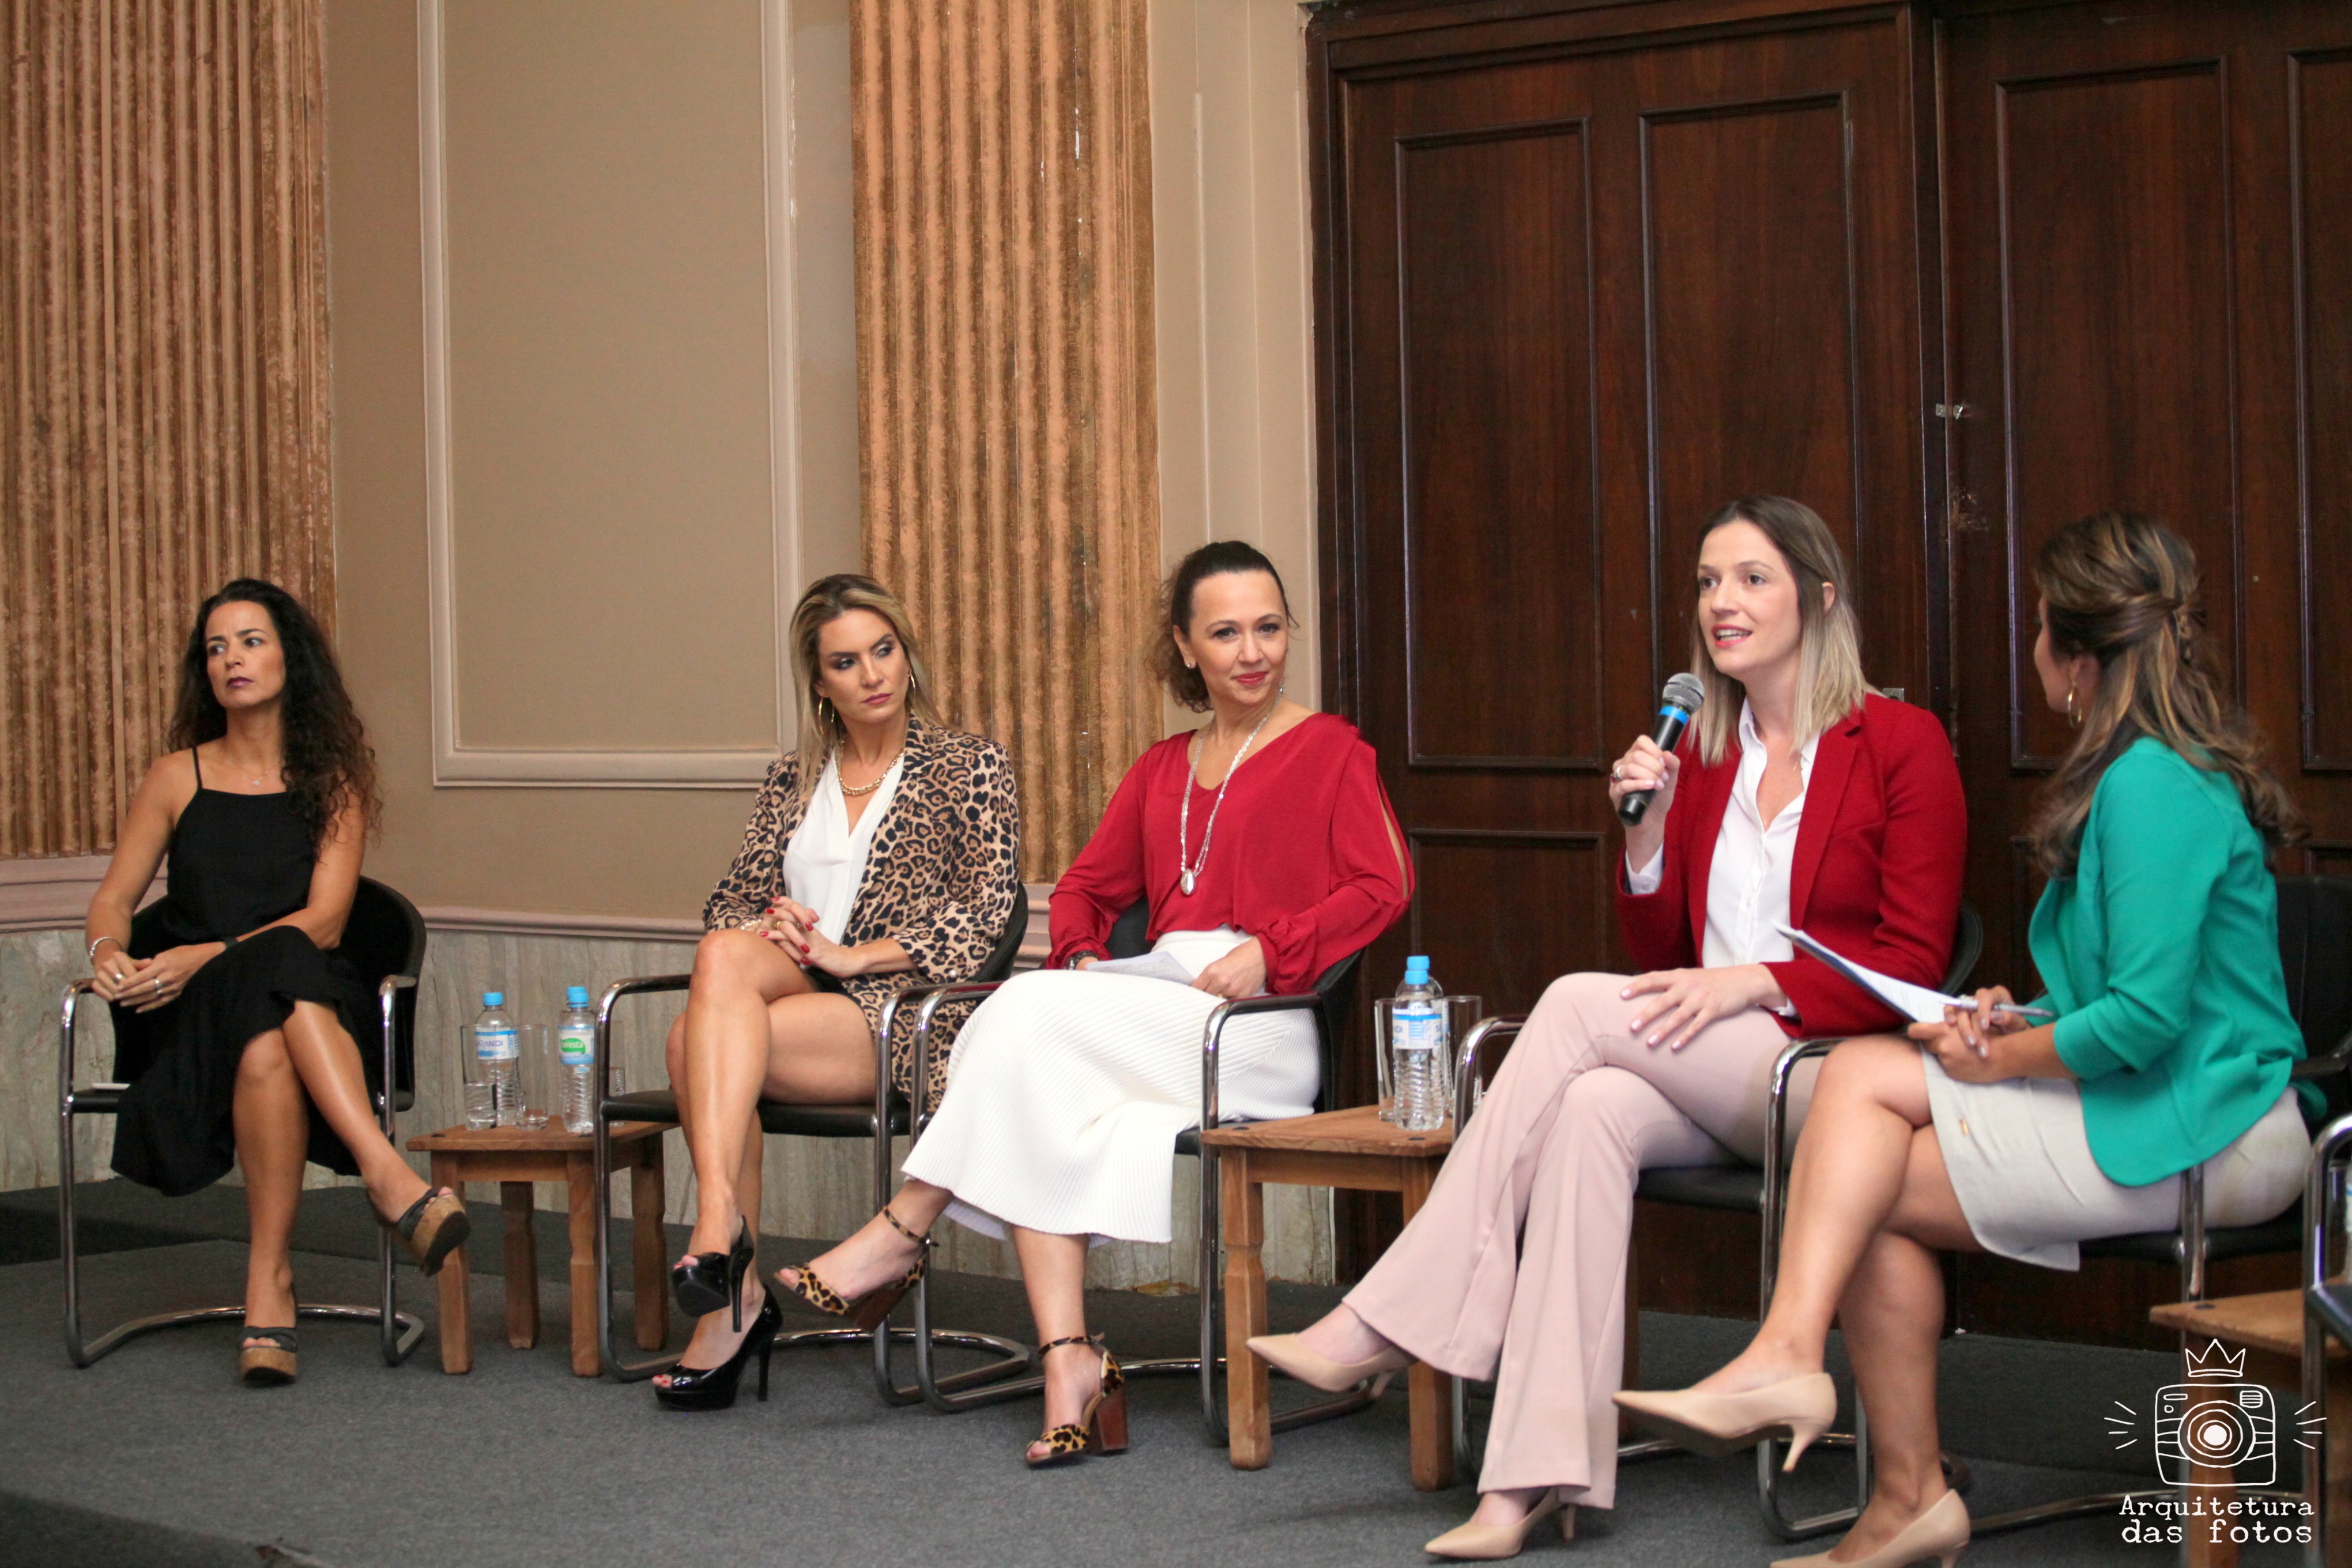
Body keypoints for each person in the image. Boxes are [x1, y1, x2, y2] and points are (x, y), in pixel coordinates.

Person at [1249, 496, 1968, 1558]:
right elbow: (1660, 945)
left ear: (1818, 599)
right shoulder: (1706, 755)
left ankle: (1397, 1315)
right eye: (1708, 582)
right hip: (1714, 1073)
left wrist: (1755, 984)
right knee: (1590, 1108)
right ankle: (1533, 1480)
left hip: (1835, 1077)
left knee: (1583, 1005)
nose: (1722, 603)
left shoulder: (1900, 743)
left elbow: (1913, 969)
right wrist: (1648, 836)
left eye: (1752, 579)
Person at [1620, 512, 2309, 1568]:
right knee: (1862, 1142)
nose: (2031, 646)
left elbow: (2148, 1021)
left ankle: (1815, 1386)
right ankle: (1893, 1481)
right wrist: (2017, 1018)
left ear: (2076, 657)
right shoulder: (2137, 775)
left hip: (2218, 1130)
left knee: (1858, 1175)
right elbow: (2134, 994)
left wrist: (2001, 1055)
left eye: (2039, 627)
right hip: (2160, 1093)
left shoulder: (2151, 784)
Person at [780, 540, 1411, 1465]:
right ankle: (1070, 1363)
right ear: (1186, 647)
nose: (1252, 652)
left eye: (1269, 628)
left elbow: (1381, 886)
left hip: (1260, 1029)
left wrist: (1271, 952)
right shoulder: (1162, 768)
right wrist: (1078, 957)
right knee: (1041, 1063)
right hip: (1154, 1014)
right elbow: (1082, 891)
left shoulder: (1332, 751)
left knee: (1024, 1019)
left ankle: (902, 1227)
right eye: (1226, 633)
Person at [83, 579, 468, 1386]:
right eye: (217, 647)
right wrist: (107, 951)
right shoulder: (174, 778)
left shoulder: (334, 784)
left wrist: (212, 951)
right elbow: (115, 901)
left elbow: (327, 922)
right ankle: (388, 1178)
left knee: (274, 1019)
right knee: (273, 984)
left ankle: (269, 1283)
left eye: (252, 641)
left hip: (310, 1001)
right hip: (191, 1013)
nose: (233, 660)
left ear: (291, 657)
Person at [651, 574, 1022, 1411]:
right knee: (723, 951)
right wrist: (780, 923)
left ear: (905, 653)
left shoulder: (969, 765)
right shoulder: (791, 779)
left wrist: (856, 958)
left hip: (906, 1007)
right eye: (846, 662)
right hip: (798, 984)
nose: (872, 675)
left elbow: (987, 910)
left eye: (883, 651)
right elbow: (729, 903)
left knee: (687, 1046)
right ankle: (724, 1240)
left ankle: (727, 1274)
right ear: (820, 682)